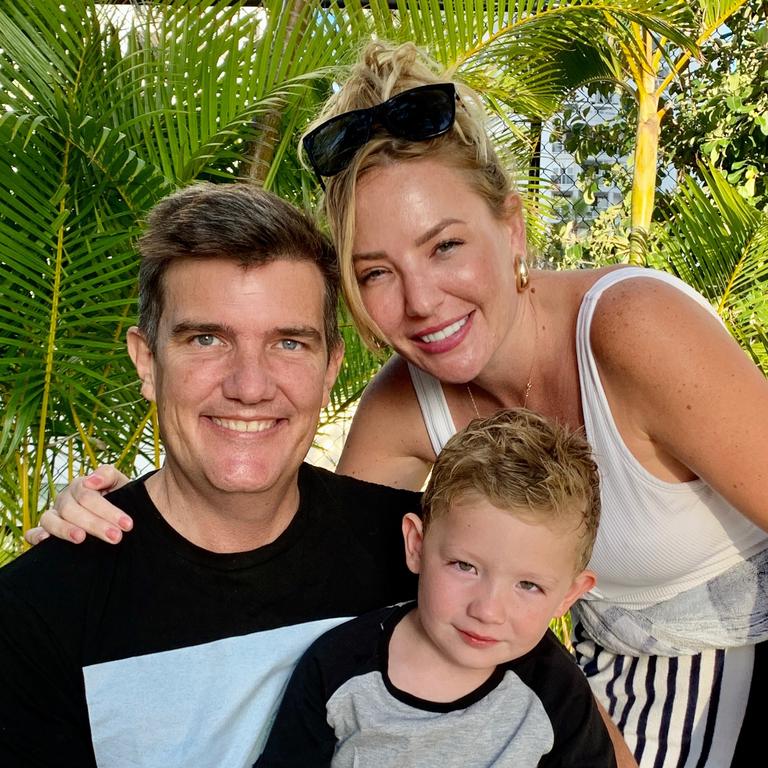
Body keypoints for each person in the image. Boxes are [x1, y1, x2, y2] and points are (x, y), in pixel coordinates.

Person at [31, 41, 768, 767]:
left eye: (445, 246)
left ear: (511, 227)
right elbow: (305, 568)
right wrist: (106, 539)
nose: (420, 301)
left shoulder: (631, 329)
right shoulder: (402, 410)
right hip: (611, 683)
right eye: (376, 271)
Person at [0, 182, 422, 768]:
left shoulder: (418, 555)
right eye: (206, 338)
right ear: (147, 362)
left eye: (289, 343)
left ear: (330, 368)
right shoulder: (36, 613)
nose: (249, 386)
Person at [255, 408, 615, 768]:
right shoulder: (336, 671)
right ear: (416, 545)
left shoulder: (557, 694)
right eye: (464, 566)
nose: (487, 610)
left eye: (528, 585)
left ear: (568, 596)